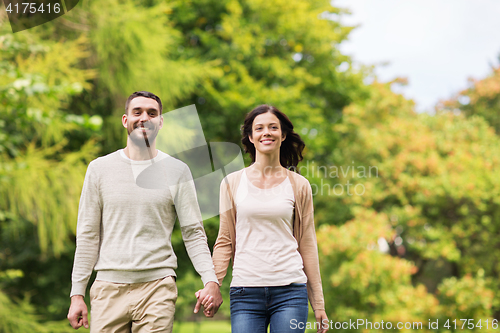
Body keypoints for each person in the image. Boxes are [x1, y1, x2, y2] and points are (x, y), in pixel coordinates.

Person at [67, 91, 222, 332]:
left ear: (160, 122)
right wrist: (77, 293)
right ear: (125, 120)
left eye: (152, 113)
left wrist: (210, 279)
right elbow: (88, 234)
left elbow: (193, 232)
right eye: (137, 112)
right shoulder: (99, 169)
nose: (144, 118)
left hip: (157, 288)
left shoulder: (177, 170)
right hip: (108, 288)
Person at [204, 105, 329, 333]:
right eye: (259, 128)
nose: (266, 132)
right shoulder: (231, 183)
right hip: (245, 292)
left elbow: (308, 244)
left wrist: (318, 303)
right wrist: (213, 283)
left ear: (282, 135)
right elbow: (225, 240)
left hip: (290, 291)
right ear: (251, 137)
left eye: (273, 127)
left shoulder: (299, 185)